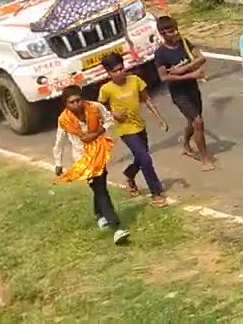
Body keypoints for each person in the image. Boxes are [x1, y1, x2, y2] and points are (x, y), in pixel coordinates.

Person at [52, 85, 130, 245]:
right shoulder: (64, 120)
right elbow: (59, 143)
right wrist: (58, 163)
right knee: (100, 189)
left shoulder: (95, 107)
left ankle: (99, 214)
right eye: (71, 102)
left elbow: (108, 119)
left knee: (100, 186)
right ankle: (117, 227)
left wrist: (98, 132)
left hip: (99, 152)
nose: (76, 105)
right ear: (65, 104)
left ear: (83, 98)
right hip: (83, 159)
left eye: (78, 100)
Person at [98, 52, 170, 207]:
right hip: (125, 129)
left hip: (139, 125)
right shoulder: (106, 89)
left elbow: (147, 99)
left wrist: (159, 117)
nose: (120, 73)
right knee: (145, 159)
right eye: (115, 71)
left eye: (121, 68)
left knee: (141, 157)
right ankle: (156, 192)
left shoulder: (135, 81)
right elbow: (100, 107)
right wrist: (113, 113)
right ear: (108, 73)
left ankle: (129, 174)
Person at [154, 16, 216, 171]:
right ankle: (204, 159)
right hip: (179, 94)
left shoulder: (185, 43)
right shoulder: (161, 54)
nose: (175, 34)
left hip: (193, 89)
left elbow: (201, 58)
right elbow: (164, 77)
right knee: (198, 122)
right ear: (162, 34)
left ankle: (186, 144)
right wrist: (190, 74)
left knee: (193, 121)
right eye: (170, 32)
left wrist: (182, 69)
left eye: (175, 30)